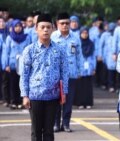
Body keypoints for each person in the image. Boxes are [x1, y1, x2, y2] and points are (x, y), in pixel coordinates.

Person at [19, 13, 69, 141]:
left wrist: (64, 93)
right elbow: (24, 74)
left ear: (53, 28)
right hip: (35, 96)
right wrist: (25, 95)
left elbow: (65, 72)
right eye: (42, 27)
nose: (45, 30)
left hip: (53, 96)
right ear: (36, 29)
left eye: (48, 27)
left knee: (49, 132)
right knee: (36, 131)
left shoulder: (59, 50)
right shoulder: (29, 50)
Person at [51, 12, 83, 132]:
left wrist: (80, 70)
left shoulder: (75, 37)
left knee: (68, 101)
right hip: (56, 75)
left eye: (67, 23)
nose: (65, 25)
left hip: (71, 73)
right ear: (57, 24)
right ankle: (55, 124)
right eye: (62, 23)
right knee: (56, 100)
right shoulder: (53, 36)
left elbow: (79, 56)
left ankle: (66, 123)